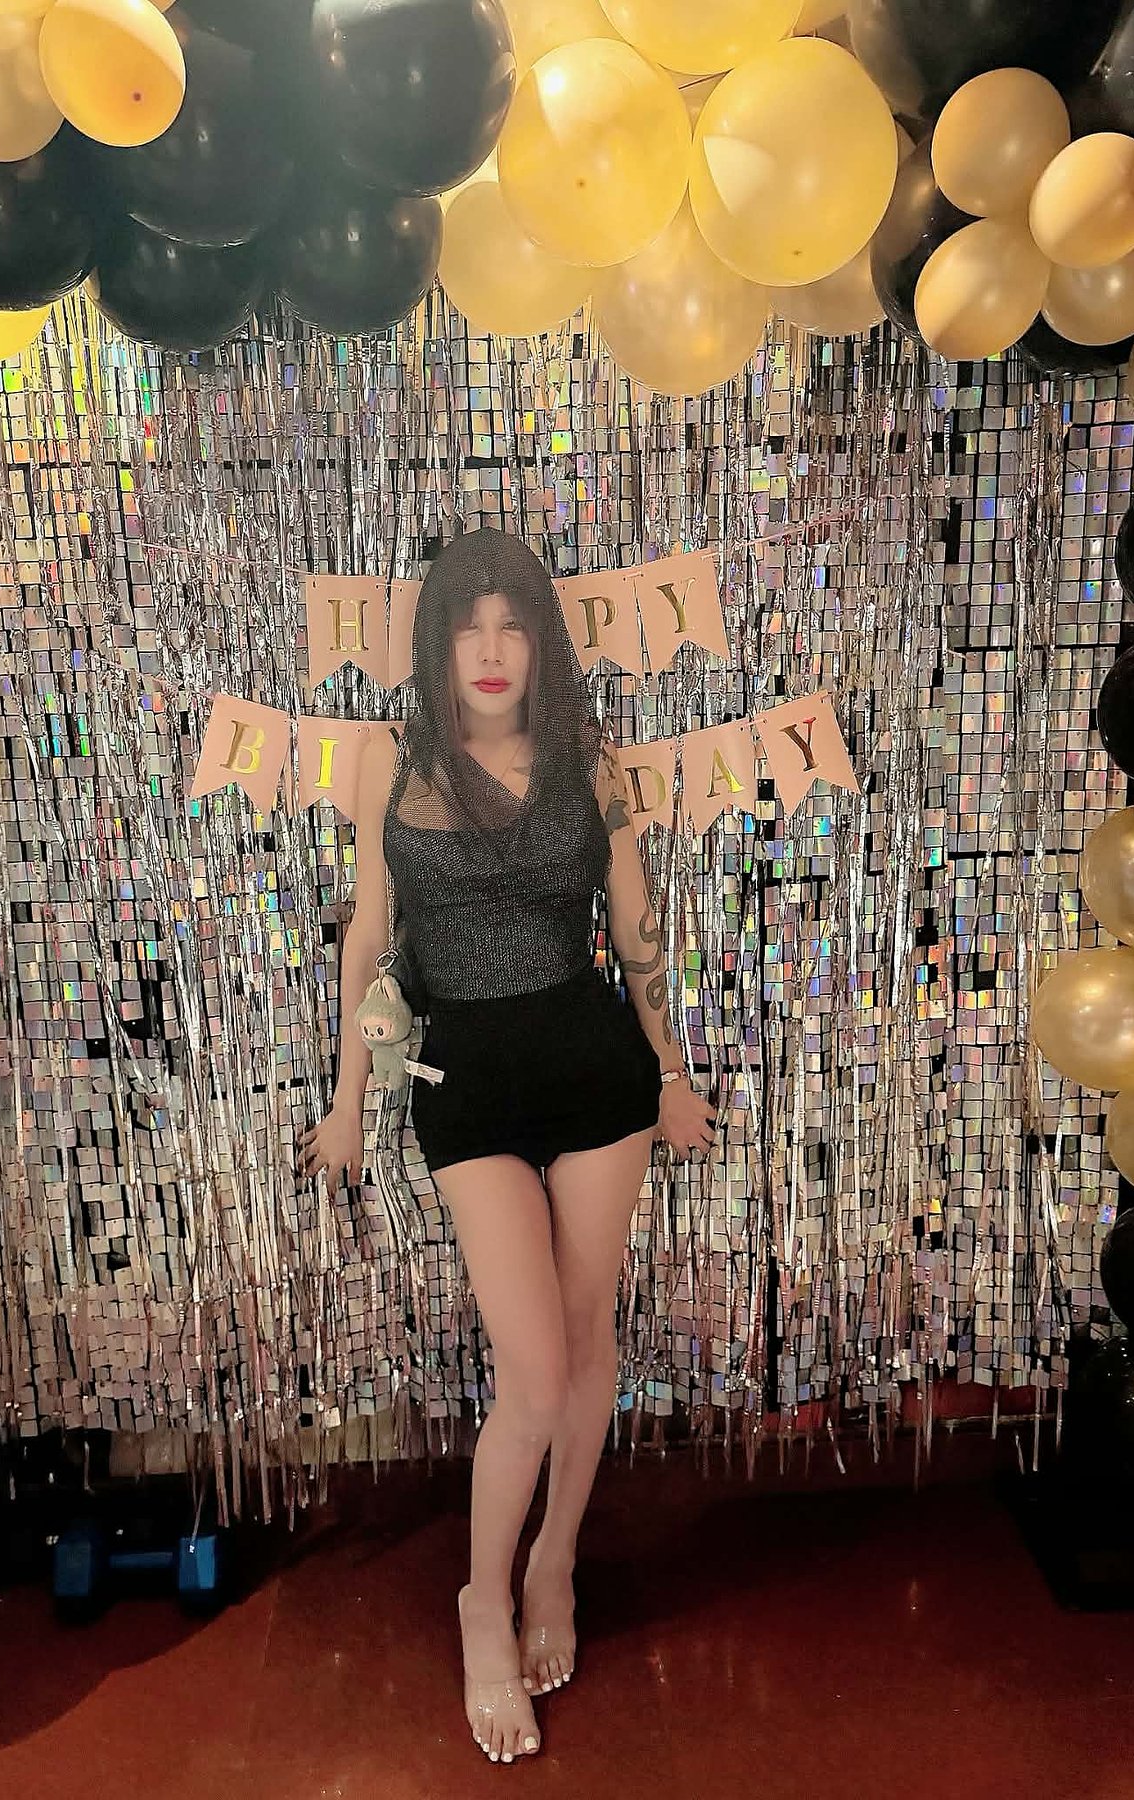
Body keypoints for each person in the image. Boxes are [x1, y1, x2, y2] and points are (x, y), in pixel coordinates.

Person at [301, 529, 716, 1765]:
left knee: (587, 1352)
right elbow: (368, 939)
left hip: (595, 1071)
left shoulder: (589, 759)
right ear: (438, 643)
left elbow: (635, 927)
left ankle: (554, 1564)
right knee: (532, 1378)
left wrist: (673, 1074)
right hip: (465, 1084)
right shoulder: (390, 762)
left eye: (513, 626)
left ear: (541, 643)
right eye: (468, 627)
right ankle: (482, 1601)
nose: (491, 651)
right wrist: (346, 1099)